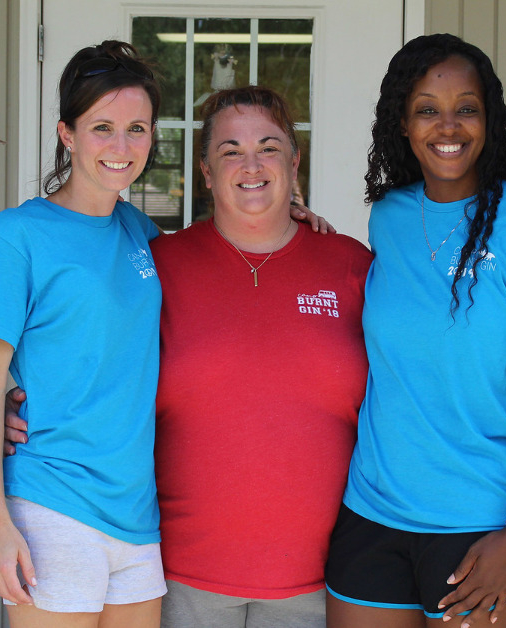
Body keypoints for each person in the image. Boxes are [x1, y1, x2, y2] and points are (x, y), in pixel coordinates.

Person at [324, 33, 506, 628]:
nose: (449, 125)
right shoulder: (388, 217)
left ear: (488, 118)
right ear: (403, 124)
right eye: (427, 109)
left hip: (482, 523)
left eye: (466, 107)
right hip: (372, 514)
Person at [0, 40, 167, 628]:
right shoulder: (16, 237)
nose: (121, 147)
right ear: (67, 134)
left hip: (136, 514)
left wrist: (297, 221)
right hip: (52, 504)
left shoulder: (142, 233)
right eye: (102, 127)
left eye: (137, 128)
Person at [154, 86, 371, 628]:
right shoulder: (159, 267)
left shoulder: (350, 265)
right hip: (180, 578)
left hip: (323, 580)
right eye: (229, 150)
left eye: (269, 147)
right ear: (205, 171)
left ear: (294, 162)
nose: (250, 164)